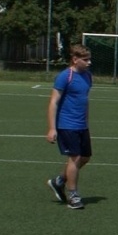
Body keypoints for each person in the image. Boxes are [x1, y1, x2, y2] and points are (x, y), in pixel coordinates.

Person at [46, 44, 95, 210]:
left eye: (89, 59)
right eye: (85, 59)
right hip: (67, 124)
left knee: (86, 157)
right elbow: (53, 102)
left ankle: (59, 181)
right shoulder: (64, 76)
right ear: (75, 59)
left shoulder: (88, 76)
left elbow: (85, 100)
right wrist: (52, 128)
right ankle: (73, 195)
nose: (89, 62)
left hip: (81, 124)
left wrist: (87, 121)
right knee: (74, 158)